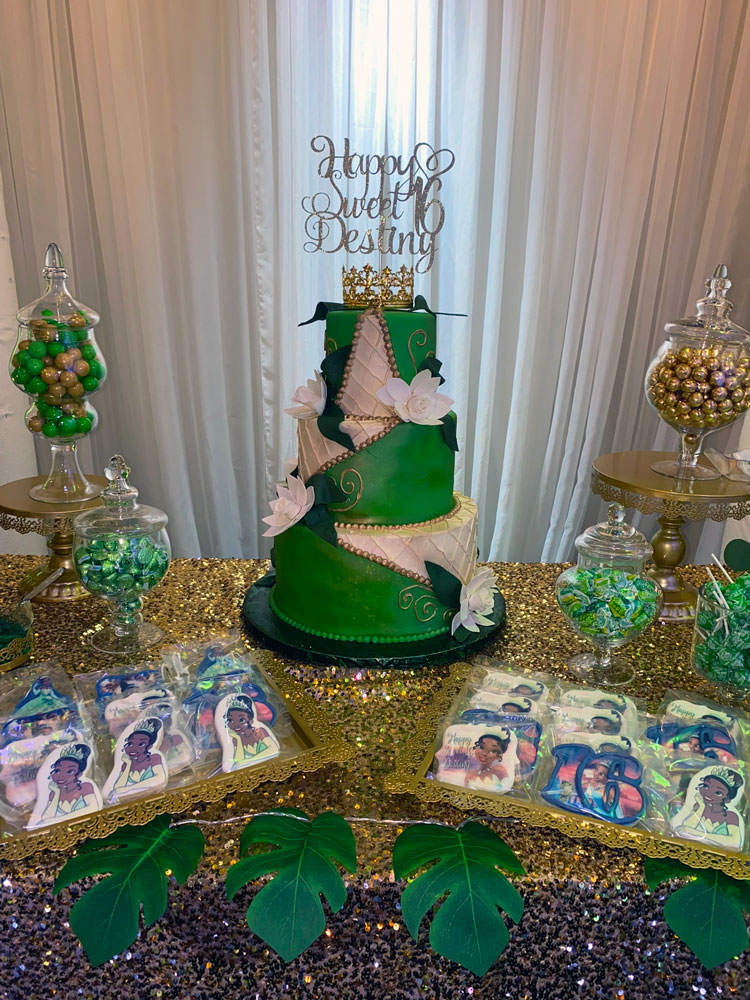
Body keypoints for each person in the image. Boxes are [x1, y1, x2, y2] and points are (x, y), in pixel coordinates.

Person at [673, 769, 743, 850]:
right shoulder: (699, 806)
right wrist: (701, 807)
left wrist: (696, 833)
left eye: (718, 793)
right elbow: (682, 831)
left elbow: (734, 843)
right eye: (706, 786)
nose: (708, 793)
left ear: (727, 799)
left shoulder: (731, 816)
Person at [39, 744, 100, 822]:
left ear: (79, 774)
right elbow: (45, 818)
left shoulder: (85, 787)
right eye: (57, 771)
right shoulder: (54, 793)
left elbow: (93, 808)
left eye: (69, 771)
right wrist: (57, 793)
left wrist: (59, 820)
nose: (60, 776)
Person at [112, 718, 167, 792]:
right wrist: (128, 765)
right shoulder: (126, 764)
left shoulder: (154, 758)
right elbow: (117, 788)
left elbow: (159, 777)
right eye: (130, 744)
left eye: (141, 744)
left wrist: (128, 789)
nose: (133, 748)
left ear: (150, 746)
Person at [223, 695, 278, 770]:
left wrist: (247, 762)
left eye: (242, 720)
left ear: (251, 720)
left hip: (272, 767)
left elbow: (273, 750)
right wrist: (238, 739)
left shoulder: (260, 732)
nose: (236, 724)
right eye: (230, 720)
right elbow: (238, 762)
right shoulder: (235, 739)